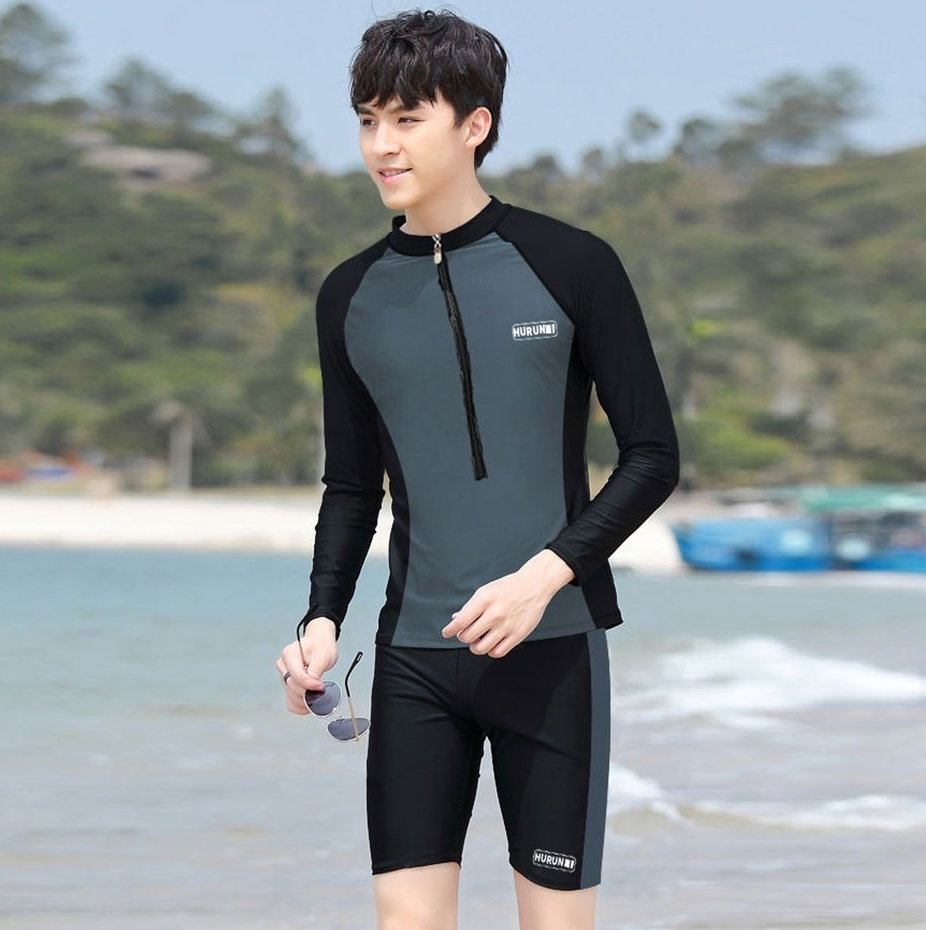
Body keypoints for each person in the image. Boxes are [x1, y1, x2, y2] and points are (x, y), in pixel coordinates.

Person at [276, 9, 679, 929]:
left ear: (475, 124)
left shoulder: (571, 264)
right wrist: (320, 620)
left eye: (406, 119)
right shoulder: (350, 295)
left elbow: (653, 456)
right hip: (414, 660)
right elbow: (352, 486)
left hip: (552, 651)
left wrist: (543, 578)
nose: (382, 145)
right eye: (367, 120)